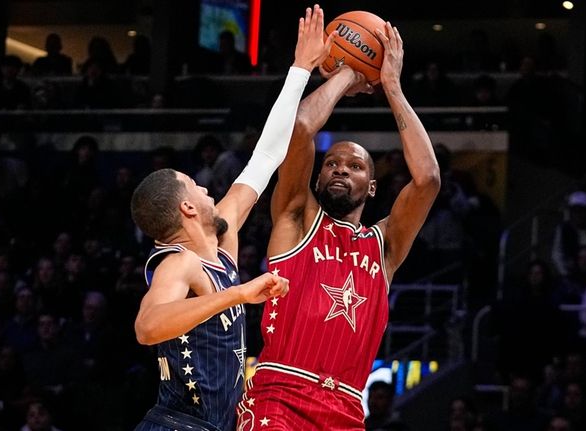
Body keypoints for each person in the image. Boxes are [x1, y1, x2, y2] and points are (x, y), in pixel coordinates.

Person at [130, 6, 334, 431]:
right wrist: (238, 295)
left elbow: (265, 156)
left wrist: (301, 69)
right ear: (187, 208)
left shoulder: (221, 243)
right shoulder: (178, 263)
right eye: (194, 185)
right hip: (176, 425)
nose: (206, 188)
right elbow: (147, 327)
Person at [237, 19, 440, 430]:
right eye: (331, 163)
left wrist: (391, 87)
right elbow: (298, 128)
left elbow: (429, 180)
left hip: (346, 411)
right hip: (279, 399)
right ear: (316, 178)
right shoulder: (296, 217)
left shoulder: (384, 244)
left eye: (354, 165)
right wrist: (349, 71)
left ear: (371, 187)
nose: (340, 169)